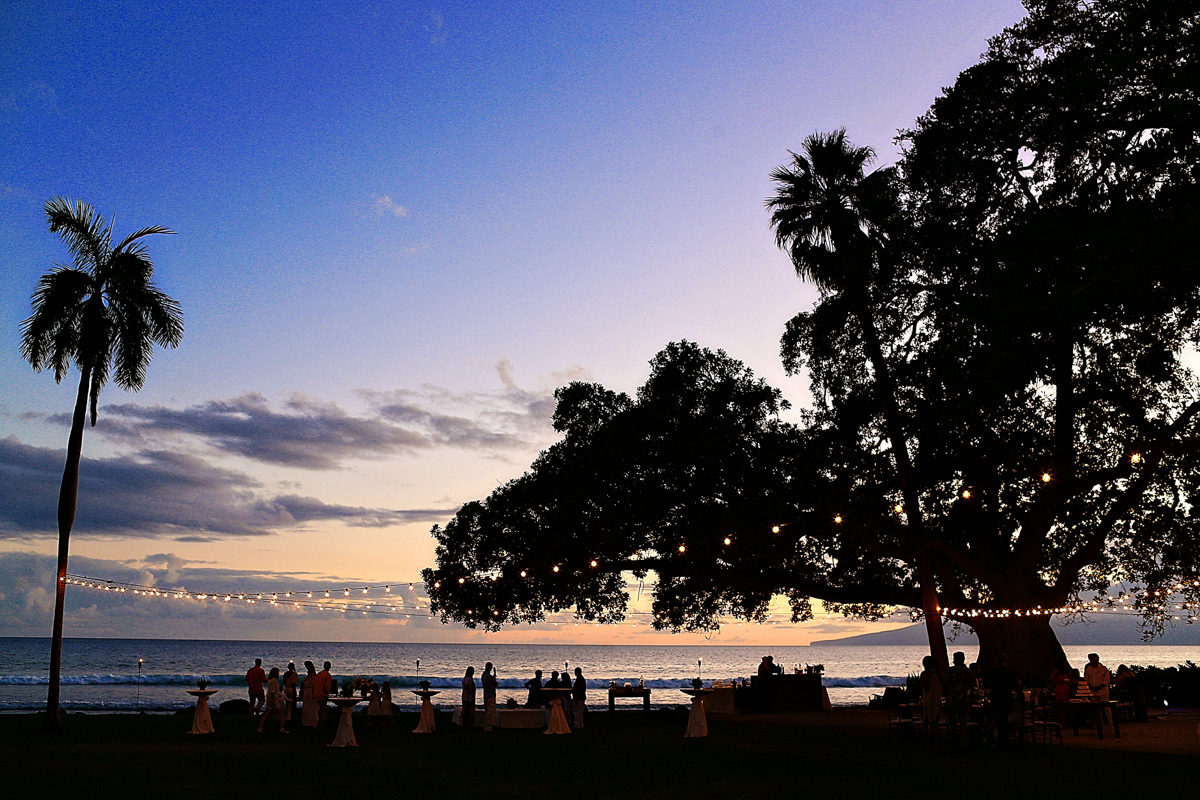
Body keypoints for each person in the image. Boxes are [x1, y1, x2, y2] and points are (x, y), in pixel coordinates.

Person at [984, 653, 1021, 746]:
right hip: (1006, 698)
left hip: (996, 698)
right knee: (1003, 720)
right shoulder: (1010, 672)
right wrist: (1022, 696)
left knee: (998, 719)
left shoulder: (994, 672)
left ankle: (999, 740)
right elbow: (1016, 685)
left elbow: (988, 683)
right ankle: (1003, 740)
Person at [943, 651, 974, 749]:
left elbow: (945, 684)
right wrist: (971, 699)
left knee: (952, 723)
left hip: (952, 700)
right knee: (963, 723)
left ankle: (954, 742)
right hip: (963, 700)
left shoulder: (950, 671)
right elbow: (972, 687)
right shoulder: (968, 672)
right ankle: (964, 743)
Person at [919, 655, 943, 747]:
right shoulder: (933, 676)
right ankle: (936, 743)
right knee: (934, 724)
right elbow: (939, 688)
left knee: (926, 721)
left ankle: (927, 742)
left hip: (926, 700)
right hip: (933, 701)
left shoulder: (923, 675)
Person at [1084, 652, 1113, 726]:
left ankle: (1111, 723)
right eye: (1090, 659)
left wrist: (1099, 687)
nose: (1091, 660)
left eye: (1092, 659)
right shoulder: (1088, 669)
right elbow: (1087, 679)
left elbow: (1106, 680)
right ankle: (1099, 723)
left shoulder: (1103, 669)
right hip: (1093, 691)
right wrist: (1091, 687)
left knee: (1107, 708)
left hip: (1102, 691)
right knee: (1096, 709)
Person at [257, 666, 288, 734]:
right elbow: (273, 691)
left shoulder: (270, 680)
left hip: (270, 698)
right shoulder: (274, 680)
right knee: (278, 712)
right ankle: (281, 728)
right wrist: (274, 700)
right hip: (273, 699)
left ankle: (260, 727)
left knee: (268, 713)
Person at [300, 661, 319, 729]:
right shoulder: (308, 677)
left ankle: (313, 722)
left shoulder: (314, 677)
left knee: (313, 708)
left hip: (311, 692)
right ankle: (306, 722)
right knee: (307, 707)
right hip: (306, 692)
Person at [316, 661, 333, 728]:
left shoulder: (319, 674)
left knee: (319, 710)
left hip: (317, 694)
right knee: (323, 711)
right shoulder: (327, 675)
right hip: (323, 695)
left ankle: (319, 724)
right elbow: (327, 686)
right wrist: (327, 693)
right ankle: (321, 725)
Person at [482, 663, 498, 732]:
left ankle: (487, 725)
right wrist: (494, 676)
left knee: (487, 711)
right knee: (490, 712)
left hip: (486, 694)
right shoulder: (488, 676)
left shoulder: (484, 675)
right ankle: (488, 727)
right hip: (490, 695)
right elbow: (495, 683)